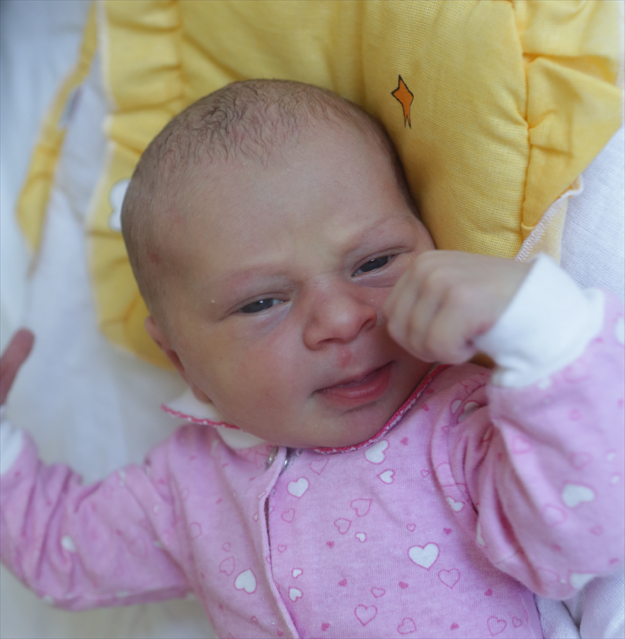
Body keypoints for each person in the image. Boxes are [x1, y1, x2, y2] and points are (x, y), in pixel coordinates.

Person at [1, 80, 623, 639]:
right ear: (182, 361)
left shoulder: (461, 423)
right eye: (262, 302)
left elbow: (587, 533)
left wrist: (545, 330)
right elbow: (61, 553)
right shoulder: (186, 487)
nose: (341, 319)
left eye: (375, 262)